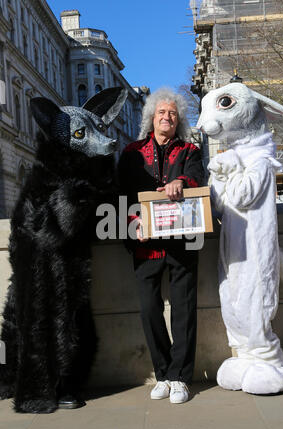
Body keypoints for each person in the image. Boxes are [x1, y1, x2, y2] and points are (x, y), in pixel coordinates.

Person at [118, 88, 205, 403]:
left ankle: (181, 378)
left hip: (182, 242)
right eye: (161, 112)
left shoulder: (189, 150)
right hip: (145, 244)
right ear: (151, 118)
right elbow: (123, 194)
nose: (167, 117)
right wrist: (132, 224)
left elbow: (199, 179)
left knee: (184, 310)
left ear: (178, 119)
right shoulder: (132, 152)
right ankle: (165, 373)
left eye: (172, 113)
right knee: (148, 310)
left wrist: (181, 181)